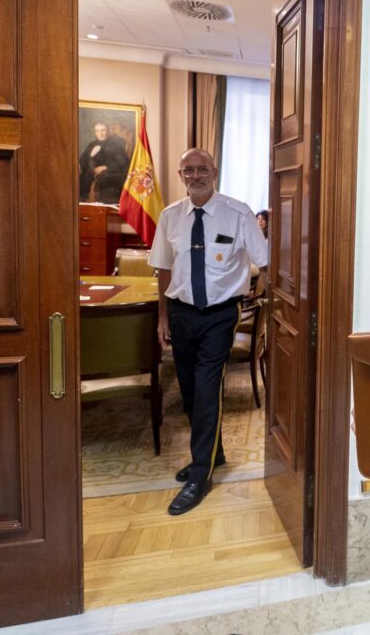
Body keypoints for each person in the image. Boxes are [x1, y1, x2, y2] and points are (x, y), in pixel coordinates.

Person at [148, 148, 269, 516]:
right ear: (180, 174)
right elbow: (163, 270)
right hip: (182, 313)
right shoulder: (170, 217)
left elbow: (264, 262)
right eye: (189, 170)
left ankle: (200, 475)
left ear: (214, 172)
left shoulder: (238, 213)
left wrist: (262, 302)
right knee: (187, 392)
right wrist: (163, 317)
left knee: (206, 390)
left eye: (203, 169)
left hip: (220, 315)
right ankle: (213, 455)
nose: (196, 175)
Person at [79, 121, 131, 204]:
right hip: (92, 174)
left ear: (108, 131)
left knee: (105, 182)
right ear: (95, 132)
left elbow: (123, 162)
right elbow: (82, 162)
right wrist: (91, 155)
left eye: (103, 130)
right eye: (97, 131)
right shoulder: (92, 145)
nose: (100, 133)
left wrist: (105, 167)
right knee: (81, 179)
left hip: (111, 173)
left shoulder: (116, 144)